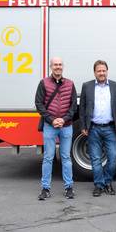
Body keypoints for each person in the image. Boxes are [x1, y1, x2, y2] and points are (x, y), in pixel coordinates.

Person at [79, 60, 116, 197]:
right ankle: (99, 185)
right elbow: (82, 107)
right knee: (95, 159)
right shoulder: (87, 86)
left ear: (107, 71)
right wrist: (83, 126)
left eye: (103, 70)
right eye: (99, 71)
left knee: (113, 157)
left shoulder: (115, 86)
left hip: (110, 128)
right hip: (93, 128)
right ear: (94, 72)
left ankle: (108, 181)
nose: (101, 73)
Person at [35, 57, 77, 200]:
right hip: (50, 126)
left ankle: (69, 187)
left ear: (63, 67)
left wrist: (64, 119)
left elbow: (73, 106)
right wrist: (52, 120)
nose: (58, 67)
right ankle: (45, 188)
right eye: (55, 65)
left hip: (66, 126)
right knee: (48, 157)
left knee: (66, 157)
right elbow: (39, 104)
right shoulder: (43, 83)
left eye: (60, 64)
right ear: (51, 67)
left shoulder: (70, 84)